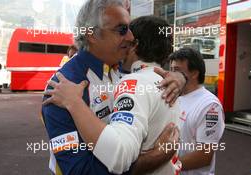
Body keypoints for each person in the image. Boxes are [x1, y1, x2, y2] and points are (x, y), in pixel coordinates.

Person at [42, 0, 186, 174]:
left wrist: (180, 78)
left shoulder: (120, 69)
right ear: (92, 35)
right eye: (122, 29)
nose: (131, 37)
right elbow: (79, 170)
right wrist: (156, 156)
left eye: (130, 29)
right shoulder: (63, 87)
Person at [169, 47, 225, 175]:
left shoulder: (210, 105)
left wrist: (168, 167)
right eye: (171, 70)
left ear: (194, 73)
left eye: (177, 70)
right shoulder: (177, 96)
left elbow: (204, 155)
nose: (171, 75)